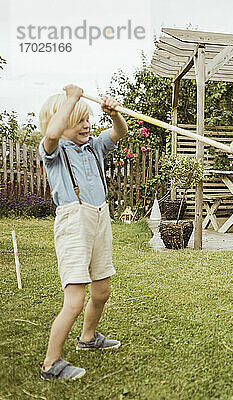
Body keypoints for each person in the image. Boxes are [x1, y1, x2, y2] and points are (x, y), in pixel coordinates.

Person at [38, 84, 128, 380]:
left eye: (87, 118)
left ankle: (88, 338)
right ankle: (51, 363)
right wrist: (71, 99)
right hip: (74, 221)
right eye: (78, 120)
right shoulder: (54, 151)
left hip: (100, 217)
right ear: (61, 122)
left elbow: (120, 134)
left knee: (102, 292)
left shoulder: (94, 146)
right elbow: (52, 134)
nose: (86, 125)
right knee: (75, 300)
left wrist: (115, 115)